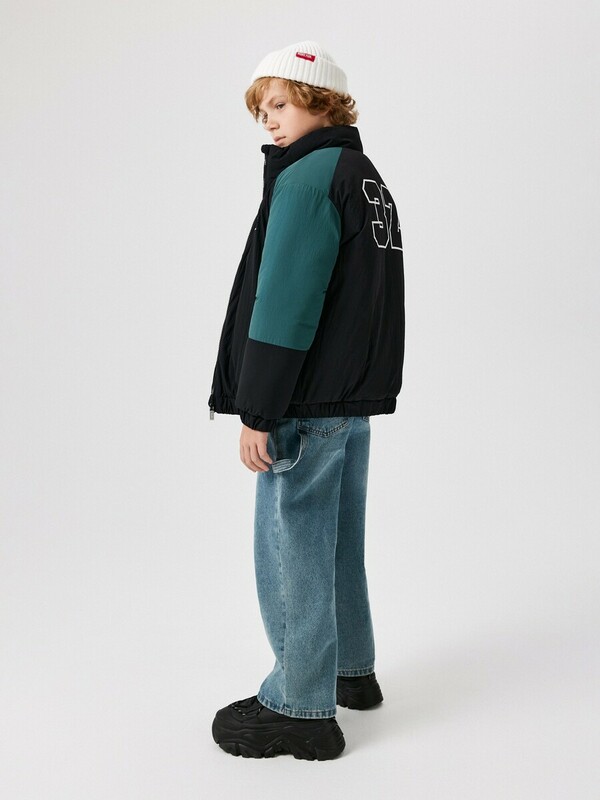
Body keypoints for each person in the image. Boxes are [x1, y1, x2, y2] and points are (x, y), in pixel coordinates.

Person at [209, 40, 405, 760]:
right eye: (260, 109)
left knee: (292, 538)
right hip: (348, 397)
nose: (267, 120)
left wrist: (259, 410)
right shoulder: (364, 176)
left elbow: (286, 302)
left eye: (280, 104)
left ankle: (299, 705)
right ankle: (350, 669)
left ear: (322, 102)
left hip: (304, 398)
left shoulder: (306, 179)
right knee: (336, 534)